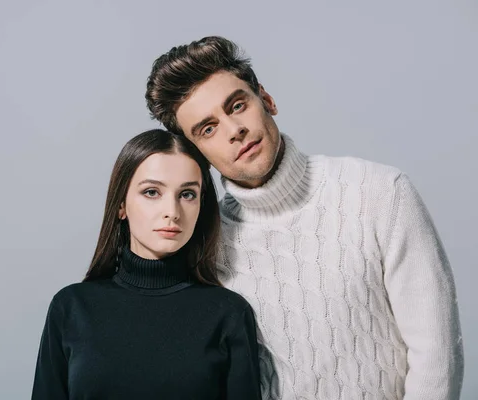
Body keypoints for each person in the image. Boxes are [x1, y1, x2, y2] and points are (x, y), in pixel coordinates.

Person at [145, 36, 464, 399]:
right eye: (208, 128)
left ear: (266, 99)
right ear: (197, 153)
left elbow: (437, 356)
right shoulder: (206, 248)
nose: (235, 131)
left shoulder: (379, 193)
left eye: (236, 105)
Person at [31, 129, 262, 399]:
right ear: (121, 205)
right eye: (152, 192)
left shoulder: (229, 313)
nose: (172, 212)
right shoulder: (71, 307)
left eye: (187, 194)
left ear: (201, 206)